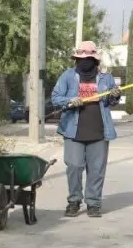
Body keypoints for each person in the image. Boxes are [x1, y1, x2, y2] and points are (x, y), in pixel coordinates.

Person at [50, 40, 123, 218]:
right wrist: (70, 100)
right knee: (74, 166)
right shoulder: (68, 76)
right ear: (76, 59)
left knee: (97, 169)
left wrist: (115, 95)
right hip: (73, 131)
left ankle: (94, 204)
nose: (85, 62)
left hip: (99, 130)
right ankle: (74, 201)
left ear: (95, 60)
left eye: (89, 58)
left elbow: (111, 101)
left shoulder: (106, 78)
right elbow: (55, 97)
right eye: (81, 58)